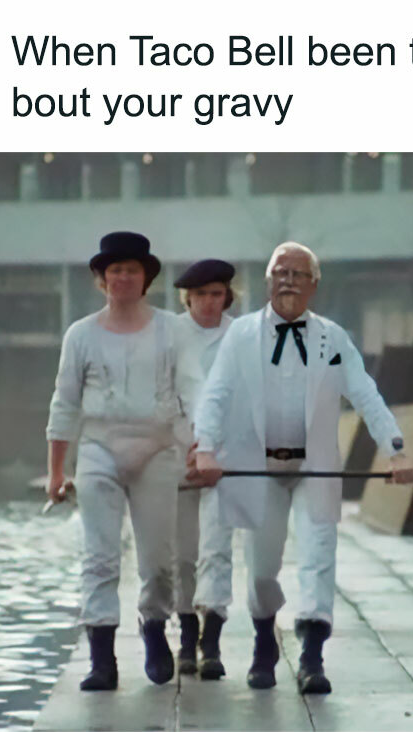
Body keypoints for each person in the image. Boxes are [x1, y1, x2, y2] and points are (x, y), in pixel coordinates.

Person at [193, 242, 413, 695]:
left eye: (298, 274)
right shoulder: (241, 336)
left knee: (317, 555)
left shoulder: (332, 339)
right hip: (258, 466)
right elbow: (216, 393)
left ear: (314, 285)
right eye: (281, 272)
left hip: (316, 466)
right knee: (261, 568)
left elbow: (364, 393)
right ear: (268, 280)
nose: (288, 281)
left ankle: (312, 655)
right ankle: (264, 640)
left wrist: (395, 450)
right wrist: (206, 449)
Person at [46, 232, 186, 690]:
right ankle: (101, 658)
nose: (122, 277)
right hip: (99, 449)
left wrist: (198, 447)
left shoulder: (172, 330)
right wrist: (56, 470)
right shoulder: (81, 334)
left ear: (146, 278)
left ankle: (154, 627)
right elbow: (65, 403)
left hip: (157, 449)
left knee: (158, 559)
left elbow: (194, 392)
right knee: (100, 557)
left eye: (131, 269)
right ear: (102, 279)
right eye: (114, 270)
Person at [171, 259, 236, 679]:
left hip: (226, 454)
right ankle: (185, 635)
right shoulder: (169, 334)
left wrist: (216, 447)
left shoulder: (240, 336)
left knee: (217, 547)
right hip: (177, 450)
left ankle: (211, 640)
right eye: (200, 295)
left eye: (216, 294)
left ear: (227, 296)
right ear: (188, 298)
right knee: (182, 553)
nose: (209, 302)